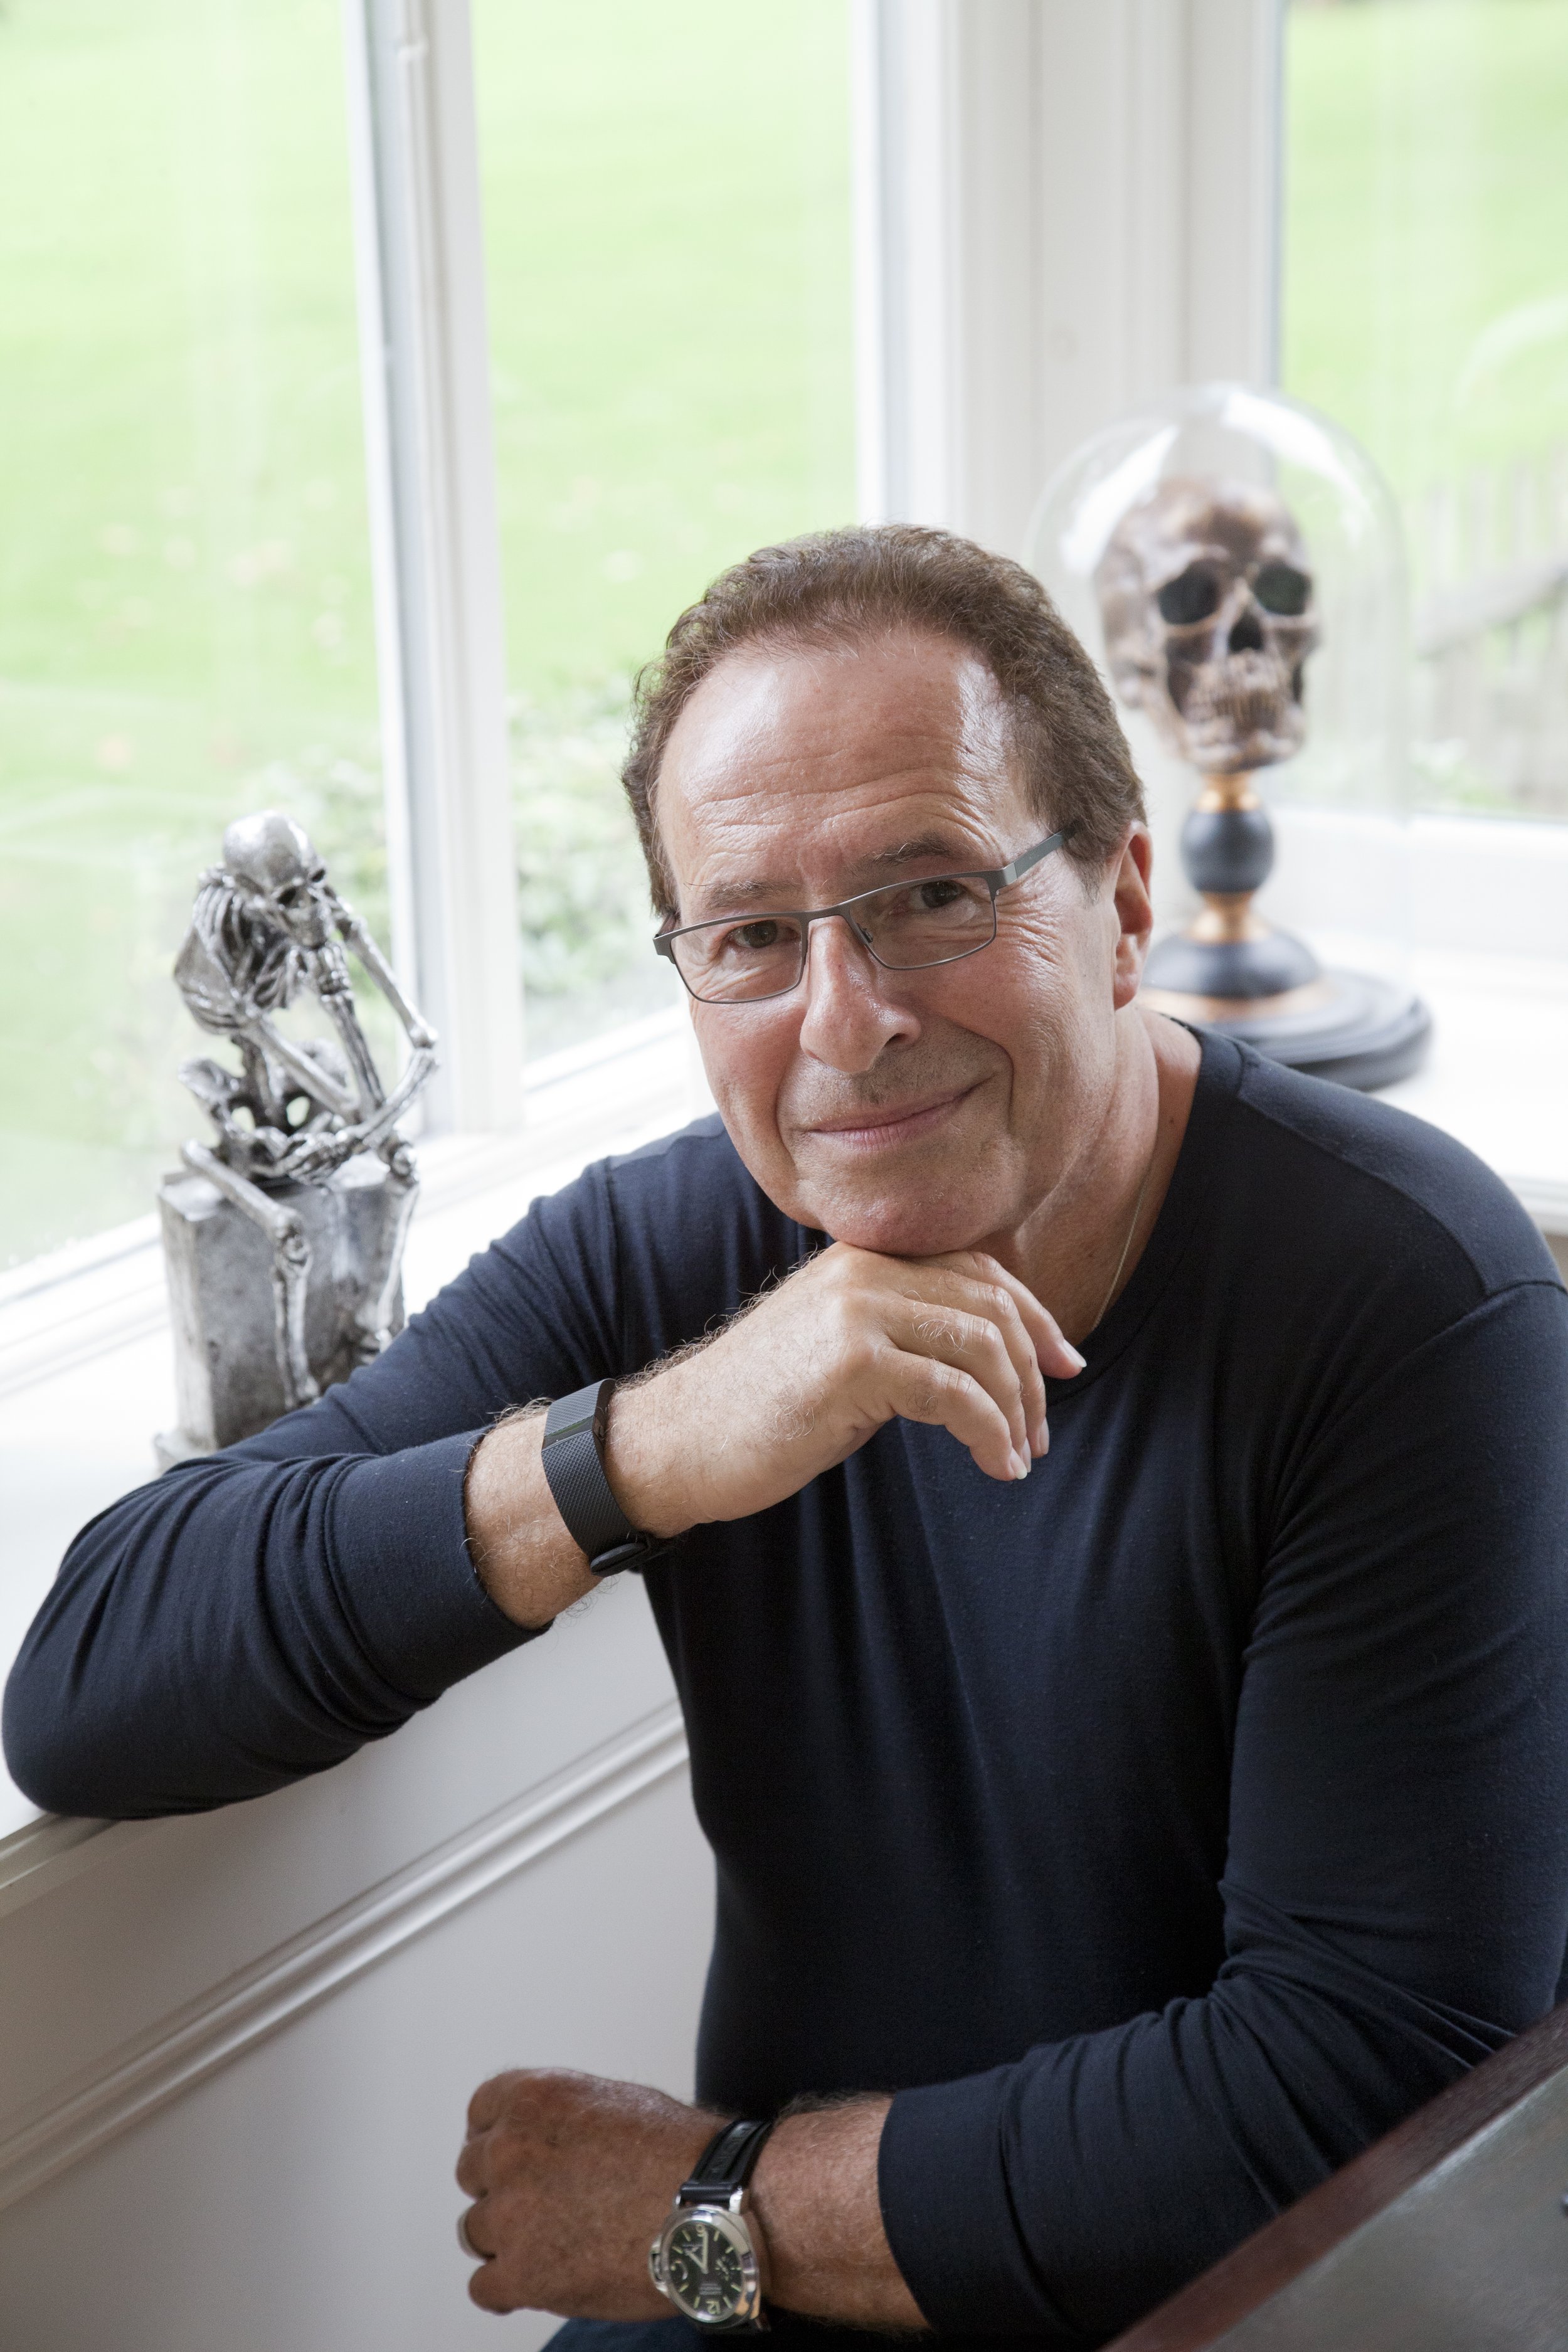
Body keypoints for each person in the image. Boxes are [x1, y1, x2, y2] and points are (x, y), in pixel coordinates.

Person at [6, 526, 1568, 2349]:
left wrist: (711, 2207)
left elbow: (1351, 2088)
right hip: (783, 2286)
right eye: (751, 935)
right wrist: (639, 1454)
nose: (848, 1022)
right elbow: (92, 1682)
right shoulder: (675, 1245)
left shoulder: (1415, 1302)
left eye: (933, 894)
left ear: (1125, 904)